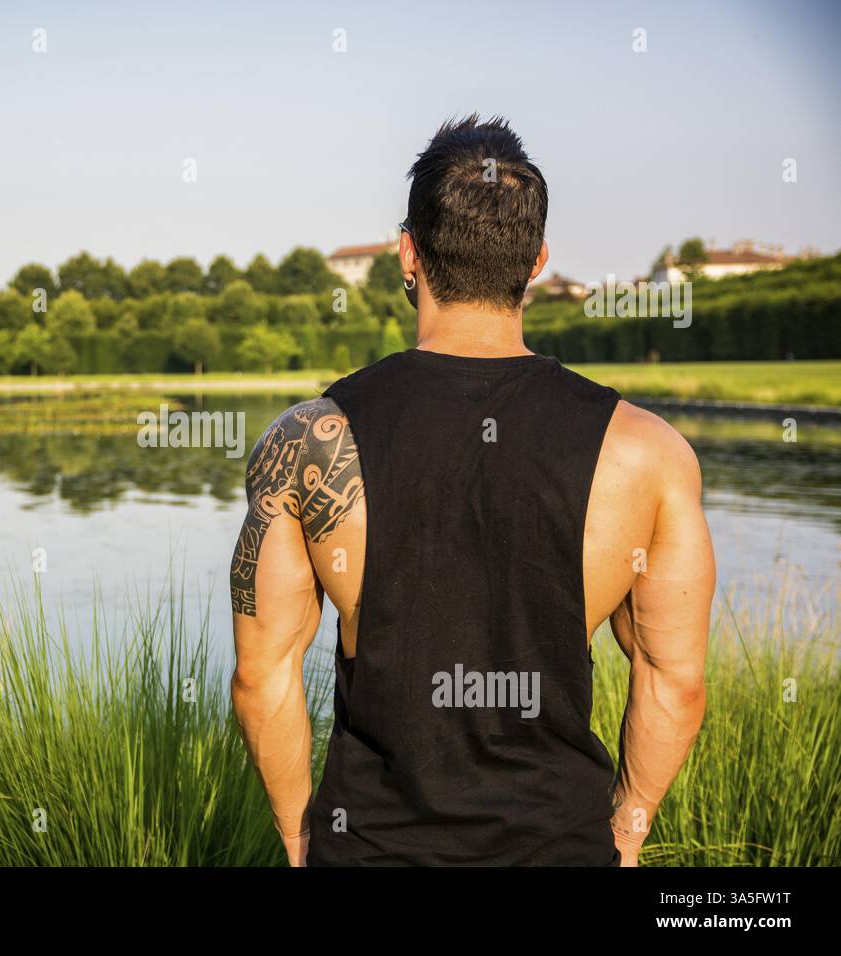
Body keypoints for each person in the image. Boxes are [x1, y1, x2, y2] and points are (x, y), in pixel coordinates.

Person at [229, 115, 715, 866]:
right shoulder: (648, 453)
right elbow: (673, 684)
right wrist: (625, 833)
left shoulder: (308, 439)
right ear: (539, 261)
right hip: (560, 848)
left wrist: (299, 839)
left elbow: (263, 679)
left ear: (408, 255)